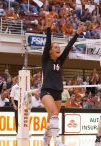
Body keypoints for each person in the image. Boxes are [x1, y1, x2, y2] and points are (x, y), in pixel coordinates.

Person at [41, 15, 85, 146]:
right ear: (50, 51)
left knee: (51, 118)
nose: (58, 48)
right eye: (55, 47)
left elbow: (69, 45)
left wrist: (77, 33)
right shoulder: (45, 59)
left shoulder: (60, 61)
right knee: (54, 113)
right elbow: (48, 42)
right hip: (46, 91)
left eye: (58, 47)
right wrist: (49, 27)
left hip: (58, 93)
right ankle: (58, 142)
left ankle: (45, 141)